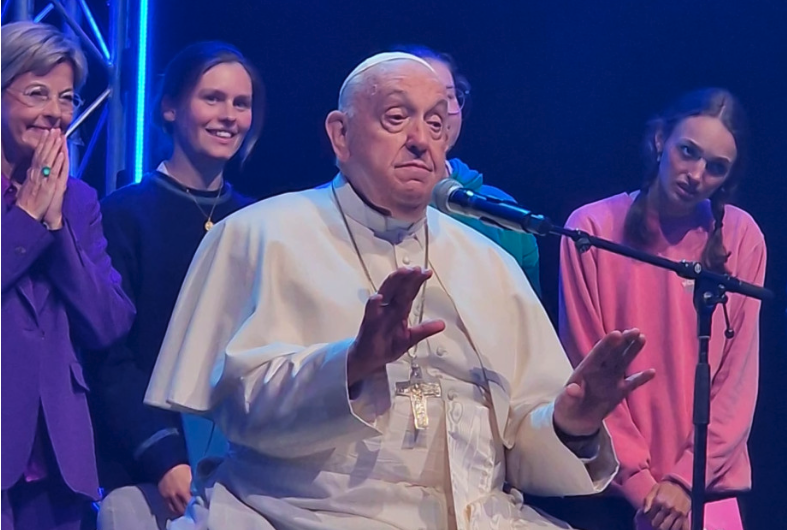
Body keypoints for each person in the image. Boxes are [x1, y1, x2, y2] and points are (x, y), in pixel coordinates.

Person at [144, 51, 656, 530]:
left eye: (436, 123)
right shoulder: (262, 234)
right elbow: (236, 409)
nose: (420, 139)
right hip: (311, 514)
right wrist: (352, 365)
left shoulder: (491, 264)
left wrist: (571, 423)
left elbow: (520, 452)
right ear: (340, 135)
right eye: (396, 118)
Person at [556, 88, 766, 530]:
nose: (695, 174)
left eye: (715, 167)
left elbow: (736, 382)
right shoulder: (590, 229)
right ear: (659, 142)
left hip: (706, 491)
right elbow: (586, 364)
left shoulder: (742, 238)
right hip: (613, 489)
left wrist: (685, 482)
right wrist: (643, 489)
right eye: (688, 152)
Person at [83, 42, 262, 528]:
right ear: (169, 107)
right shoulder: (122, 214)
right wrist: (162, 455)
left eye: (241, 104)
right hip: (149, 473)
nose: (228, 116)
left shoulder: (260, 222)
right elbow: (109, 354)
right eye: (212, 98)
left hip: (248, 473)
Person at [1, 21, 135, 530]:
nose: (55, 113)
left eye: (67, 98)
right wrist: (26, 220)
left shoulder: (78, 201)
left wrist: (55, 228)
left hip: (60, 459)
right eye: (37, 93)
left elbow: (108, 322)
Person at [394, 44, 542, 294]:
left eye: (447, 96)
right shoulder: (350, 208)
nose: (435, 113)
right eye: (409, 102)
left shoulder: (502, 211)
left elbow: (531, 325)